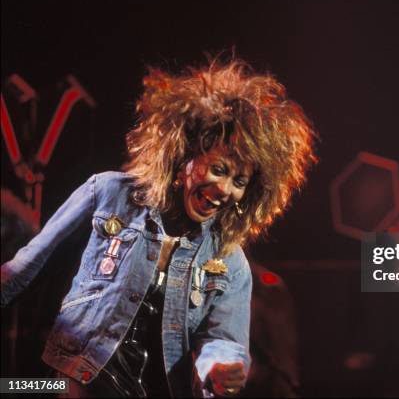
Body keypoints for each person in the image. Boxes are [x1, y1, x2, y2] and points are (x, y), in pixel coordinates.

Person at [1, 57, 317, 397]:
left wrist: (221, 368)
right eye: (219, 169)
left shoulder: (231, 261)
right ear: (183, 160)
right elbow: (23, 268)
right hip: (75, 382)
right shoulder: (108, 193)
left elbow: (224, 341)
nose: (226, 189)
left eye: (239, 181)